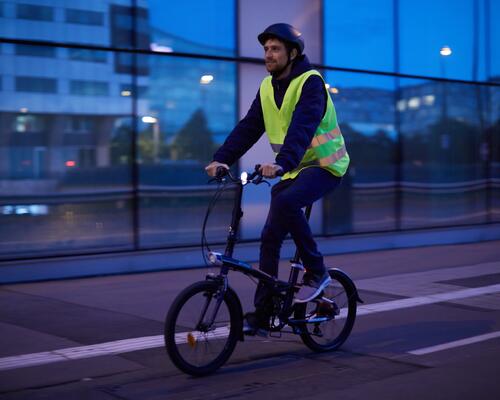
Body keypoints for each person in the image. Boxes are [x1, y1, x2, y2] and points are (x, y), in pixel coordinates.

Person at [205, 23, 350, 334]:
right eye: (265, 49)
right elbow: (249, 127)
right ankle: (263, 312)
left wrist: (281, 163)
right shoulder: (267, 88)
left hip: (326, 165)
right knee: (269, 237)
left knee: (285, 200)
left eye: (275, 49)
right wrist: (222, 158)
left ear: (292, 53)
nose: (268, 55)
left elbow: (302, 127)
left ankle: (317, 270)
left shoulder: (310, 84)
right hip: (295, 168)